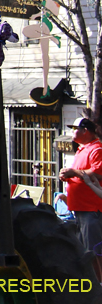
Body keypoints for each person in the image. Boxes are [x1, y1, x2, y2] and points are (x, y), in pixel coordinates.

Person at [59, 117, 102, 279]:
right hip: (80, 209)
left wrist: (74, 172)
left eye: (74, 128)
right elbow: (80, 174)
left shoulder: (97, 149)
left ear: (85, 131)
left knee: (94, 250)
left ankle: (98, 283)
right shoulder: (82, 149)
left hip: (92, 209)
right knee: (83, 251)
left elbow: (98, 173)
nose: (72, 132)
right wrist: (67, 175)